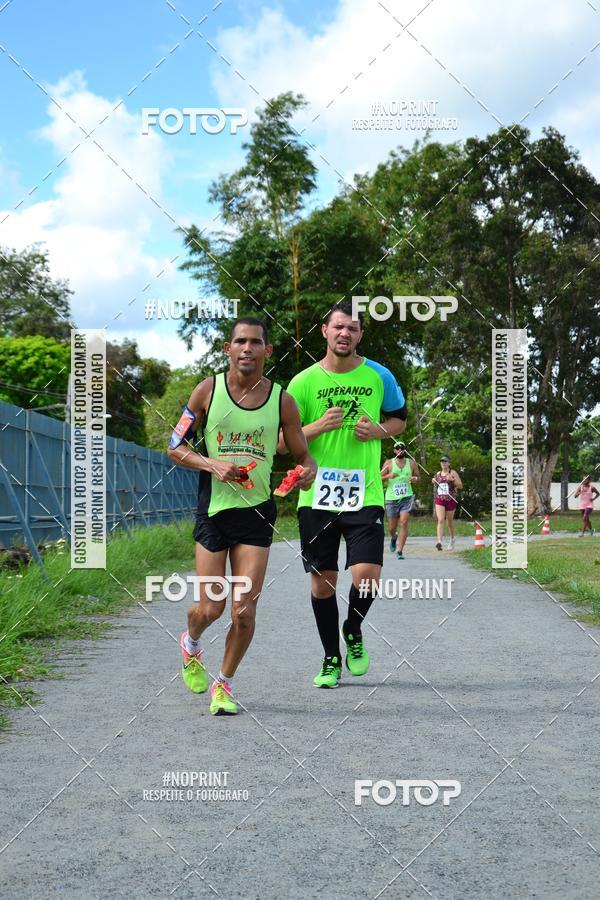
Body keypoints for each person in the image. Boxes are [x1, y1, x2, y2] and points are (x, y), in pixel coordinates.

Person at [167, 317, 316, 715]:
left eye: (255, 342)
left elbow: (303, 455)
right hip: (213, 512)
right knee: (211, 608)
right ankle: (191, 642)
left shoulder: (283, 400)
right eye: (240, 342)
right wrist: (211, 464)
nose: (247, 348)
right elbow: (174, 446)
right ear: (228, 349)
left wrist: (307, 473)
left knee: (244, 610)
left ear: (268, 351)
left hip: (256, 513)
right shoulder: (207, 390)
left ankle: (224, 685)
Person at [279, 301, 407, 688]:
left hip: (364, 492)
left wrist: (379, 432)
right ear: (324, 331)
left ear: (360, 335)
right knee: (323, 583)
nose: (344, 334)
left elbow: (399, 419)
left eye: (352, 328)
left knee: (367, 577)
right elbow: (284, 443)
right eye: (338, 327)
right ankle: (331, 658)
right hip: (316, 496)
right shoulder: (302, 383)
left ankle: (353, 629)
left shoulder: (379, 375)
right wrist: (316, 426)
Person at [381, 441, 420, 559]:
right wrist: (388, 476)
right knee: (391, 527)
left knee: (403, 522)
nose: (400, 450)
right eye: (398, 448)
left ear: (405, 450)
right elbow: (378, 477)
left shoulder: (412, 463)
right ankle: (393, 537)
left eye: (402, 448)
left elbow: (419, 477)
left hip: (407, 497)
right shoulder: (389, 463)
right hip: (392, 498)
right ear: (394, 451)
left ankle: (399, 551)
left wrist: (415, 479)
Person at [432, 456, 463, 551]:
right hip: (440, 499)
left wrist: (453, 480)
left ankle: (452, 539)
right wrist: (433, 481)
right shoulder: (438, 473)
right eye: (442, 461)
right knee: (441, 520)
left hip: (450, 500)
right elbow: (435, 482)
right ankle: (439, 542)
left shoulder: (452, 473)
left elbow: (460, 486)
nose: (443, 463)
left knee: (449, 522)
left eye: (445, 461)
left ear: (449, 463)